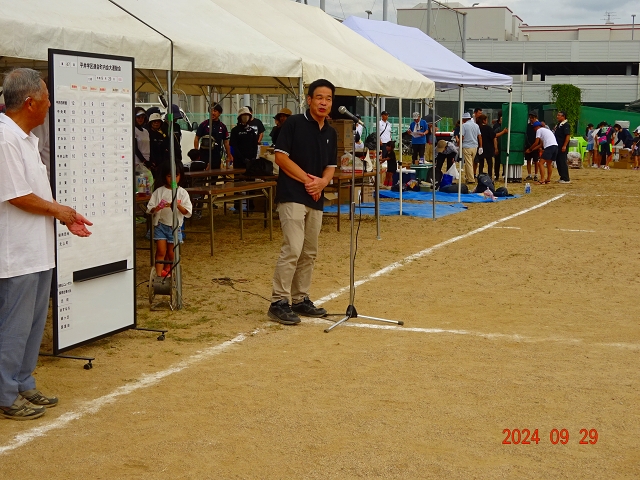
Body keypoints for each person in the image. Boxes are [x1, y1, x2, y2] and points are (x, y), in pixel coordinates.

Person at [0, 68, 92, 420]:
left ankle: (23, 381)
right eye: (46, 98)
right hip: (16, 253)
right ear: (29, 102)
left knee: (33, 324)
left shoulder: (25, 138)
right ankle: (6, 393)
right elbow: (17, 196)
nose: (50, 104)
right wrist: (61, 211)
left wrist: (61, 216)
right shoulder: (5, 138)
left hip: (37, 251)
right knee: (14, 325)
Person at [268, 79, 337, 325]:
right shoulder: (295, 123)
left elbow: (330, 167)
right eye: (319, 97)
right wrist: (309, 181)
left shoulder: (330, 131)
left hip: (316, 197)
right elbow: (280, 157)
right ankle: (279, 301)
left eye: (328, 98)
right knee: (293, 248)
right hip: (292, 195)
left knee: (309, 251)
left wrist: (321, 183)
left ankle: (300, 298)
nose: (323, 102)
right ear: (309, 99)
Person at [147, 161, 192, 278]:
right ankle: (158, 275)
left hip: (174, 227)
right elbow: (150, 208)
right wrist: (157, 208)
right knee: (161, 251)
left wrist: (177, 205)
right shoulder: (159, 191)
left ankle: (171, 273)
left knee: (172, 254)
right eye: (169, 176)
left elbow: (187, 211)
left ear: (180, 176)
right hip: (161, 225)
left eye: (176, 176)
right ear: (164, 176)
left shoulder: (182, 193)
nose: (172, 179)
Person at [194, 103, 233, 170]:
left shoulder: (223, 127)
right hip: (204, 155)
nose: (212, 113)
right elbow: (197, 138)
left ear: (220, 113)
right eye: (211, 111)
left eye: (215, 111)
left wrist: (229, 155)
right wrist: (196, 152)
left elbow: (226, 142)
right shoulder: (203, 125)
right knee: (202, 175)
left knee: (214, 176)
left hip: (216, 155)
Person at [460, 112, 482, 183]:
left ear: (464, 119)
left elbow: (462, 137)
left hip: (467, 146)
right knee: (469, 163)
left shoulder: (464, 126)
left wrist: (459, 144)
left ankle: (471, 179)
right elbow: (479, 136)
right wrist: (481, 146)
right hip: (475, 147)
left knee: (468, 163)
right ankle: (468, 177)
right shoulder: (476, 125)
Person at [553, 111, 571, 183]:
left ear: (563, 117)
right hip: (557, 145)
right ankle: (562, 176)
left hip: (562, 146)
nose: (557, 116)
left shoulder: (566, 125)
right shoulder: (558, 125)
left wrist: (564, 145)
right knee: (558, 162)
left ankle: (566, 178)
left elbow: (567, 136)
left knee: (562, 161)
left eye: (559, 115)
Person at [524, 112, 541, 181]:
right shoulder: (528, 126)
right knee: (528, 160)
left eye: (532, 118)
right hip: (528, 145)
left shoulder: (539, 126)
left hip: (536, 146)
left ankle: (536, 175)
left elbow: (540, 138)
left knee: (536, 160)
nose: (531, 119)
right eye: (530, 118)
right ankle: (529, 174)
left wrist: (539, 146)